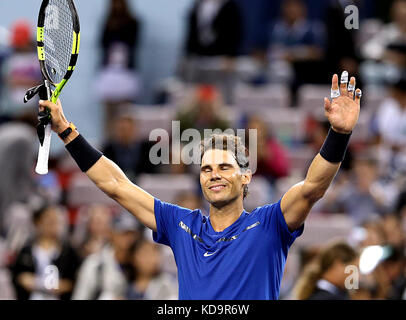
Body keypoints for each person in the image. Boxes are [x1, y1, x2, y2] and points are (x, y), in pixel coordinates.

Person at [39, 71, 362, 299]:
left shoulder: (270, 224)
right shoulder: (180, 224)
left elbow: (312, 187)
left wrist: (339, 134)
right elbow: (115, 184)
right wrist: (67, 131)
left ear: (246, 175)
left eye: (225, 167)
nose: (214, 174)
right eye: (206, 169)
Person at [10, 205, 80, 300]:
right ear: (38, 223)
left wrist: (38, 284)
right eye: (49, 221)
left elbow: (72, 282)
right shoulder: (27, 250)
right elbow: (19, 277)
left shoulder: (68, 251)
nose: (52, 225)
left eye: (55, 221)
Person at [72, 211, 139, 300]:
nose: (128, 239)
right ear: (112, 233)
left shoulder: (139, 264)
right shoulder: (95, 263)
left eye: (131, 234)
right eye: (123, 233)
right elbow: (80, 296)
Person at [293, 241, 358, 300]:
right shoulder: (326, 297)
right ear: (338, 265)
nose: (357, 275)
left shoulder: (315, 292)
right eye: (354, 269)